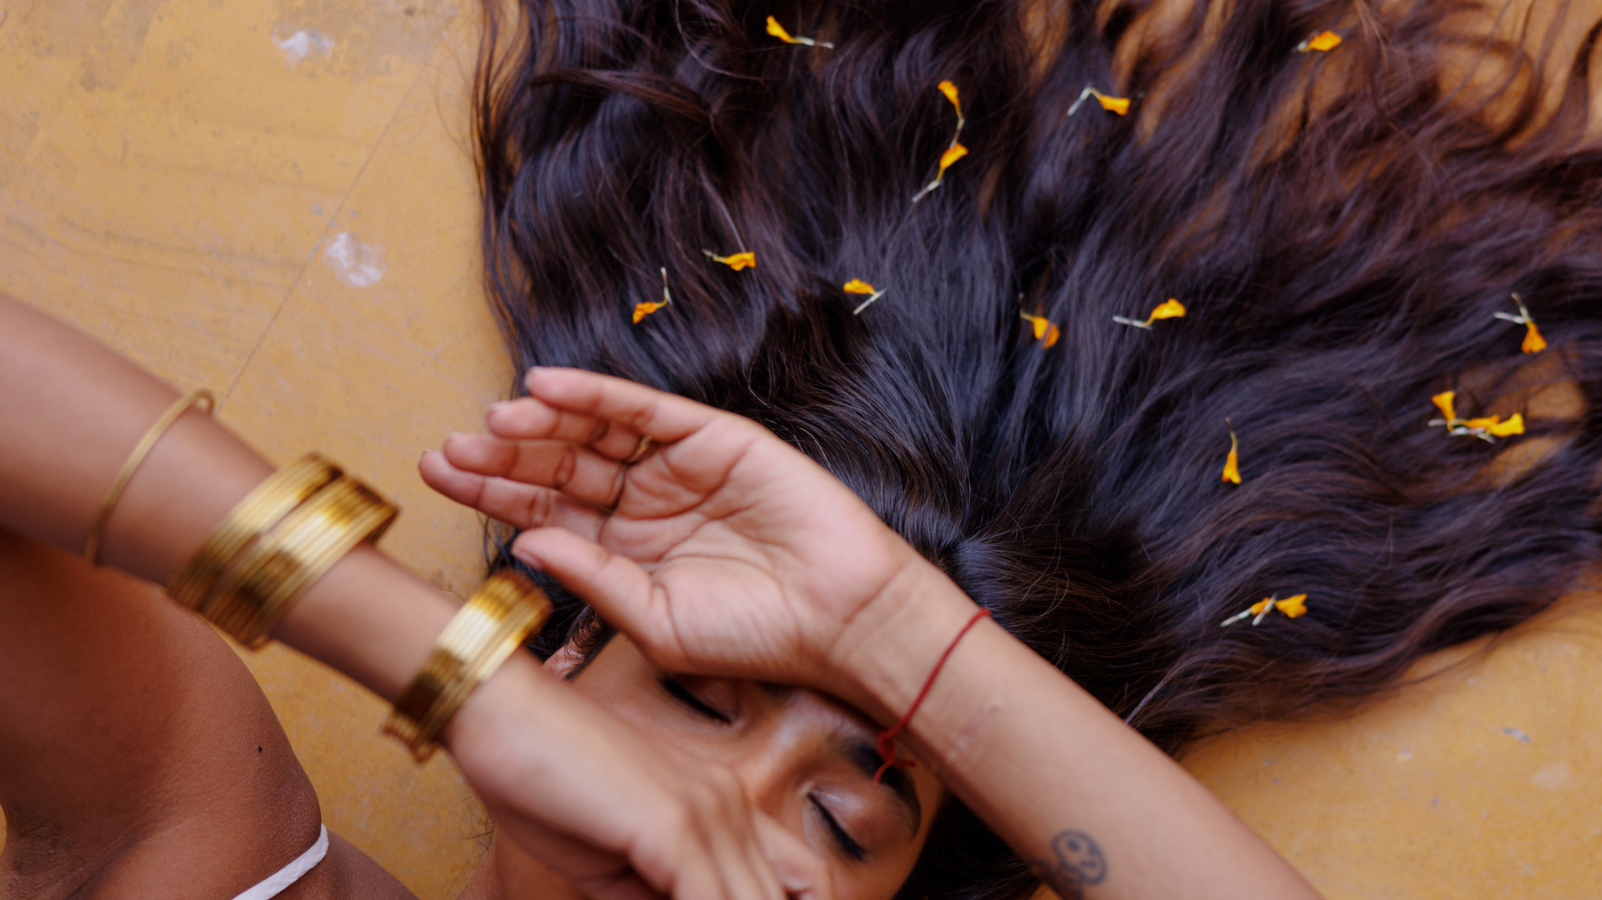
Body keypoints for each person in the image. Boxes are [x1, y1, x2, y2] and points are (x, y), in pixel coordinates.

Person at [2, 1, 1599, 900]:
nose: (737, 809)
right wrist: (459, 677)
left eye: (849, 823)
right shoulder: (213, 852)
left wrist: (896, 630)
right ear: (560, 668)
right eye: (696, 702)